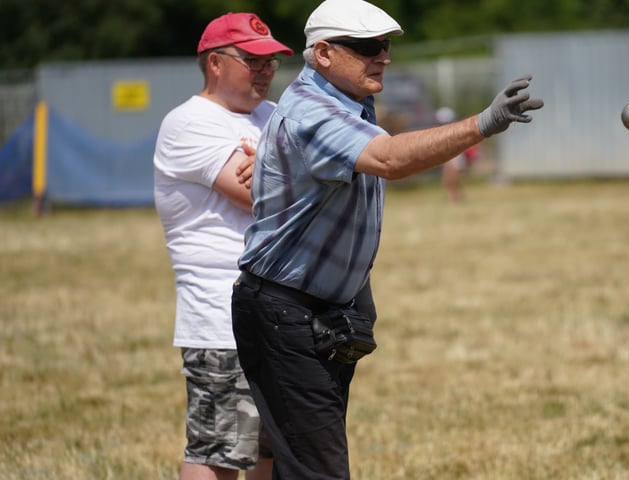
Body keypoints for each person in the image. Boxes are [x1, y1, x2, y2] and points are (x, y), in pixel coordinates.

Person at [230, 0, 544, 478]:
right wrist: (483, 123)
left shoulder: (348, 98)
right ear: (324, 54)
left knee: (297, 463)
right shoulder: (313, 111)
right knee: (319, 470)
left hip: (311, 312)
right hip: (284, 314)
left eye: (385, 45)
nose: (383, 56)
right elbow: (391, 160)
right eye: (367, 46)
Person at [153, 12, 293, 480]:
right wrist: (292, 177)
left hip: (276, 309)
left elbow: (295, 185)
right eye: (253, 60)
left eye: (271, 61)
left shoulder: (271, 116)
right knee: (217, 452)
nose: (266, 70)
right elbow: (261, 197)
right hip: (220, 316)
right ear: (215, 62)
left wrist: (282, 174)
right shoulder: (190, 122)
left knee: (269, 452)